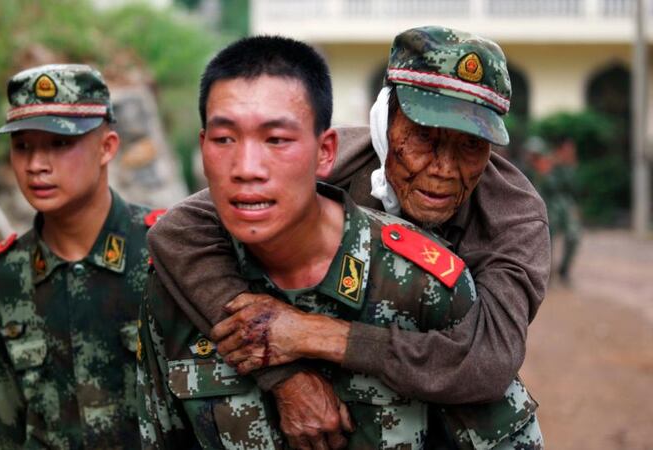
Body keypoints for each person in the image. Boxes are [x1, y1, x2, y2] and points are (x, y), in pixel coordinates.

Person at [147, 26, 549, 448]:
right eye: (425, 138)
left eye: (471, 145)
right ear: (385, 117)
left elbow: (487, 362)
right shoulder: (332, 159)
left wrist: (313, 334)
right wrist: (281, 374)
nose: (445, 169)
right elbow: (179, 230)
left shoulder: (514, 217)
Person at [0, 64, 159, 449]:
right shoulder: (1, 278)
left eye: (59, 143)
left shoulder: (163, 256)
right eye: (23, 146)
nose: (36, 165)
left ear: (107, 147)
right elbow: (8, 422)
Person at [526, 136, 581, 284]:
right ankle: (545, 273)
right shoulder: (545, 164)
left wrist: (568, 166)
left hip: (563, 204)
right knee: (545, 238)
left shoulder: (564, 166)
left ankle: (563, 271)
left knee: (573, 236)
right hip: (545, 204)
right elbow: (544, 187)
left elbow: (573, 187)